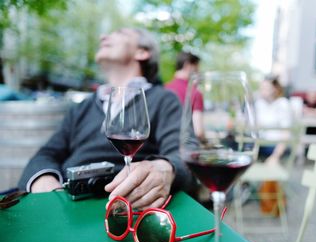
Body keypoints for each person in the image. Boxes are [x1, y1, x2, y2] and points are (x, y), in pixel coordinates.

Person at [18, 28, 196, 209]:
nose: (103, 36)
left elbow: (184, 154)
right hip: (62, 201)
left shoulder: (164, 100)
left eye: (120, 33)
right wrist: (44, 180)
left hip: (120, 206)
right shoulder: (84, 105)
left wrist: (165, 169)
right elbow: (47, 153)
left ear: (142, 52)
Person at [165, 52, 205, 141]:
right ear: (188, 65)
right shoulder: (195, 93)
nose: (198, 72)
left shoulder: (162, 89)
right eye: (197, 68)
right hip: (184, 149)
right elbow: (198, 131)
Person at [254, 76, 292, 165]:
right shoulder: (259, 103)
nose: (262, 91)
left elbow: (286, 134)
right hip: (259, 144)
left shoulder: (282, 104)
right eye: (261, 88)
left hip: (274, 146)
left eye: (265, 88)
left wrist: (275, 156)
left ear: (275, 89)